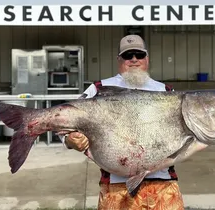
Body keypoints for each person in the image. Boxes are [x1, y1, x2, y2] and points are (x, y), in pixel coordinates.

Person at [60, 34, 185, 209]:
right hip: (116, 186)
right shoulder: (99, 89)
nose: (134, 60)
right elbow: (63, 119)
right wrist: (69, 139)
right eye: (128, 55)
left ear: (147, 58)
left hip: (163, 185)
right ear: (119, 59)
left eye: (139, 55)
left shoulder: (166, 91)